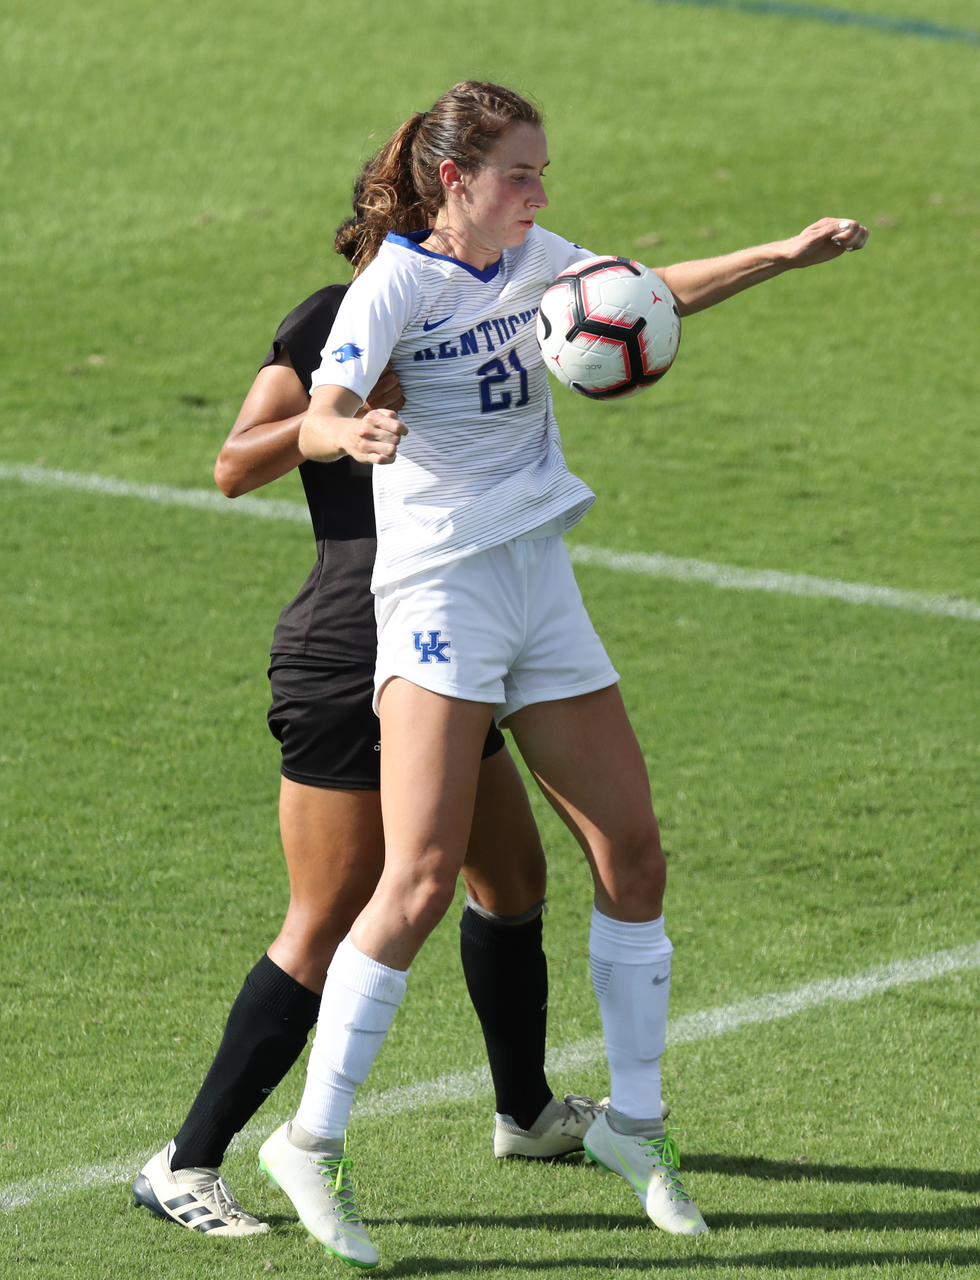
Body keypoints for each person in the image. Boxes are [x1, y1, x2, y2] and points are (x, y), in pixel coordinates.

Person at [255, 80, 868, 1268]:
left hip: (537, 579)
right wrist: (355, 433)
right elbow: (320, 412)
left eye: (541, 174)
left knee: (631, 852)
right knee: (424, 875)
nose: (539, 192)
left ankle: (634, 1126)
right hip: (438, 594)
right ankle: (311, 1139)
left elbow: (642, 293)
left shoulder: (535, 255)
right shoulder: (393, 281)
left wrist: (781, 256)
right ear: (457, 182)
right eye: (521, 174)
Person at [131, 270, 609, 1241]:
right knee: (328, 917)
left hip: (455, 638)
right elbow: (236, 461)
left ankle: (524, 1111)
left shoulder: (488, 305)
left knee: (510, 878)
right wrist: (337, 423)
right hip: (355, 649)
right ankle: (184, 1159)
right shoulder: (333, 319)